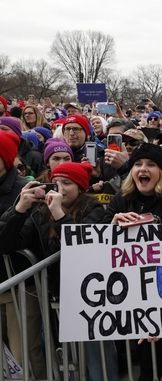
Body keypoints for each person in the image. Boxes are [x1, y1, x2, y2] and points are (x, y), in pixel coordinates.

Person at [0, 161, 106, 380]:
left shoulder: (93, 208)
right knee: (62, 354)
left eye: (67, 183)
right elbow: (7, 245)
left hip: (90, 296)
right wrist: (19, 210)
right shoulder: (39, 212)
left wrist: (59, 214)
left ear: (80, 187)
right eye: (55, 183)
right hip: (55, 294)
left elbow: (82, 245)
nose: (59, 189)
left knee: (96, 357)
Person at [102, 142, 162, 381]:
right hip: (129, 293)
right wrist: (112, 226)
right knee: (143, 360)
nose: (143, 169)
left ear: (161, 171)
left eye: (151, 164)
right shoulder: (120, 201)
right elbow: (99, 248)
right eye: (138, 164)